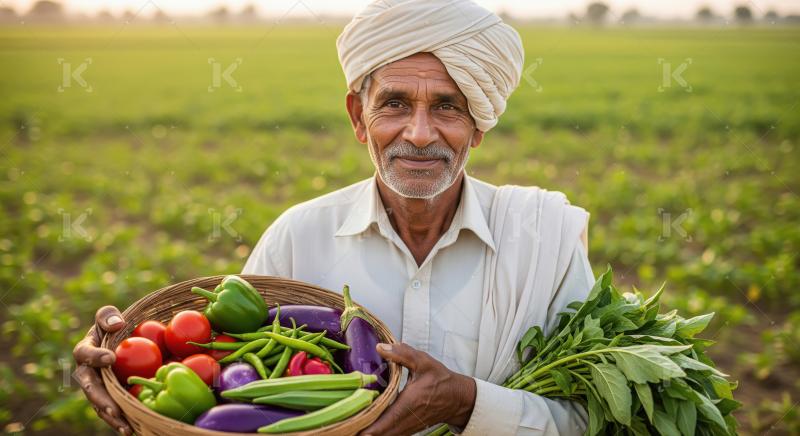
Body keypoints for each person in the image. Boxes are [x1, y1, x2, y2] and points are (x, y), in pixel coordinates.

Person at [73, 0, 594, 434]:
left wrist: (468, 404)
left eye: (447, 107)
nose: (417, 133)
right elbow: (215, 376)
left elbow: (593, 419)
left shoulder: (544, 240)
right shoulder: (298, 239)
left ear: (479, 125)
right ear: (357, 118)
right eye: (393, 103)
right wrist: (121, 358)